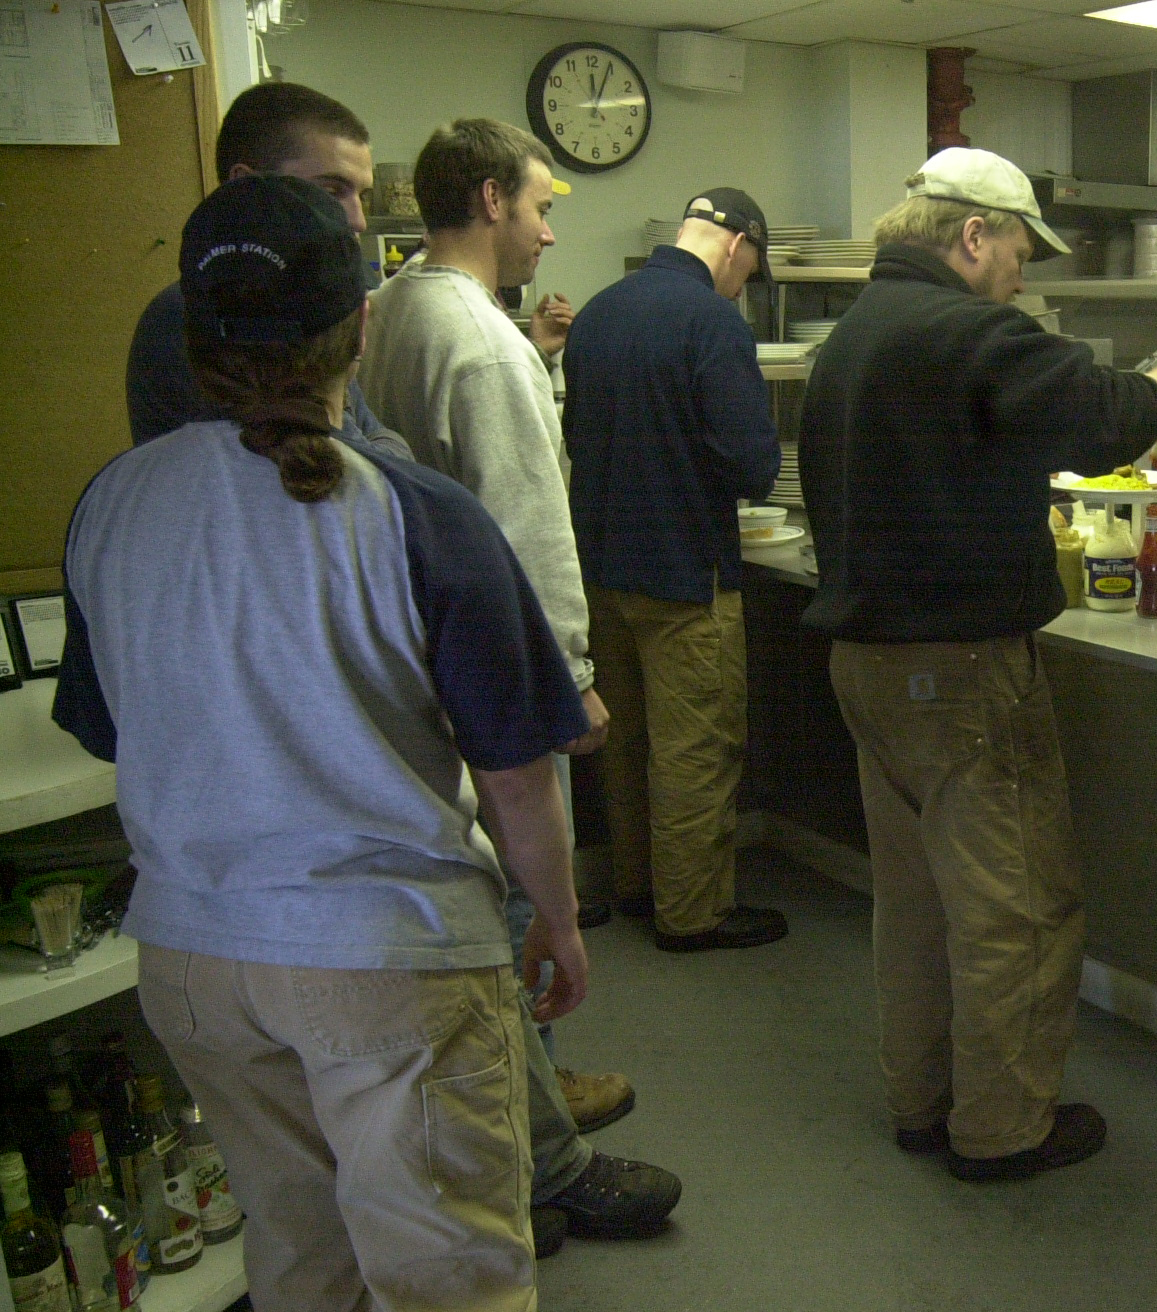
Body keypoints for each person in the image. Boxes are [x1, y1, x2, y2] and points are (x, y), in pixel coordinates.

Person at [56, 174, 584, 1309]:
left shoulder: (111, 503)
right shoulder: (418, 515)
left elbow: (116, 729)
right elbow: (513, 773)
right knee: (447, 1272)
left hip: (194, 963)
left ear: (192, 340)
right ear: (357, 328)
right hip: (380, 964)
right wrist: (556, 917)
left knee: (299, 1253)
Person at [799, 147, 1157, 1182]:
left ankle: (922, 1102)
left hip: (868, 665)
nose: (1023, 274)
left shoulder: (856, 336)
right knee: (1014, 903)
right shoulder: (964, 327)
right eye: (1019, 251)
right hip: (960, 669)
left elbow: (980, 444)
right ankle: (1004, 1126)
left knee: (918, 901)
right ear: (973, 235)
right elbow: (1103, 416)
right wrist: (1156, 393)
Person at [358, 118, 679, 1246]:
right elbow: (522, 526)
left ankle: (518, 1119)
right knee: (517, 915)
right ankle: (539, 1167)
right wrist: (572, 679)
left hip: (415, 665)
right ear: (490, 200)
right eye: (542, 206)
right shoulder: (482, 346)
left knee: (475, 910)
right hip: (493, 672)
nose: (549, 229)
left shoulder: (395, 306)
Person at [563, 188, 786, 952]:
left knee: (625, 745)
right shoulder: (712, 321)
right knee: (695, 747)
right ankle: (693, 914)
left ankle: (635, 883)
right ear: (737, 247)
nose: (744, 286)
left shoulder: (596, 314)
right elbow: (753, 464)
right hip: (687, 573)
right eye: (750, 270)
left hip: (600, 570)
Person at [124, 82, 411, 455]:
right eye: (331, 191)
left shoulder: (310, 300)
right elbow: (360, 462)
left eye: (363, 196)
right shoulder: (198, 315)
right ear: (245, 186)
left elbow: (378, 442)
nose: (357, 220)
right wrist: (382, 446)